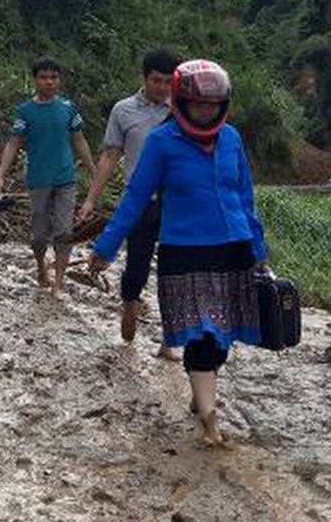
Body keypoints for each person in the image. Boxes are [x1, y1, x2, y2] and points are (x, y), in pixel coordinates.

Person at [89, 60, 268, 447]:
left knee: (221, 336)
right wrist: (106, 246)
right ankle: (209, 418)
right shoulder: (162, 142)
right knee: (202, 333)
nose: (206, 111)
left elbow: (245, 196)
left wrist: (258, 246)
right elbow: (136, 198)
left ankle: (200, 388)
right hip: (185, 253)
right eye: (198, 104)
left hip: (233, 250)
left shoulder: (232, 139)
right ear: (181, 103)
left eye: (213, 104)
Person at [78, 49, 181, 360]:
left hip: (176, 202)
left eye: (168, 82)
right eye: (156, 81)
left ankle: (169, 339)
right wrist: (92, 198)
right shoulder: (124, 111)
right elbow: (111, 155)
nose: (163, 87)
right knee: (137, 263)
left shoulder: (184, 111)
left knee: (174, 269)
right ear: (144, 78)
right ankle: (130, 303)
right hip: (140, 201)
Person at [0, 58, 97, 295]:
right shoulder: (25, 111)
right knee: (39, 236)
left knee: (64, 233)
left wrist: (93, 171)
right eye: (44, 77)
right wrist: (1, 175)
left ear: (59, 80)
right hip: (38, 179)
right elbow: (13, 143)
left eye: (54, 77)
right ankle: (41, 265)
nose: (49, 82)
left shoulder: (68, 108)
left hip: (65, 178)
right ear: (35, 80)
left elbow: (79, 139)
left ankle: (59, 283)